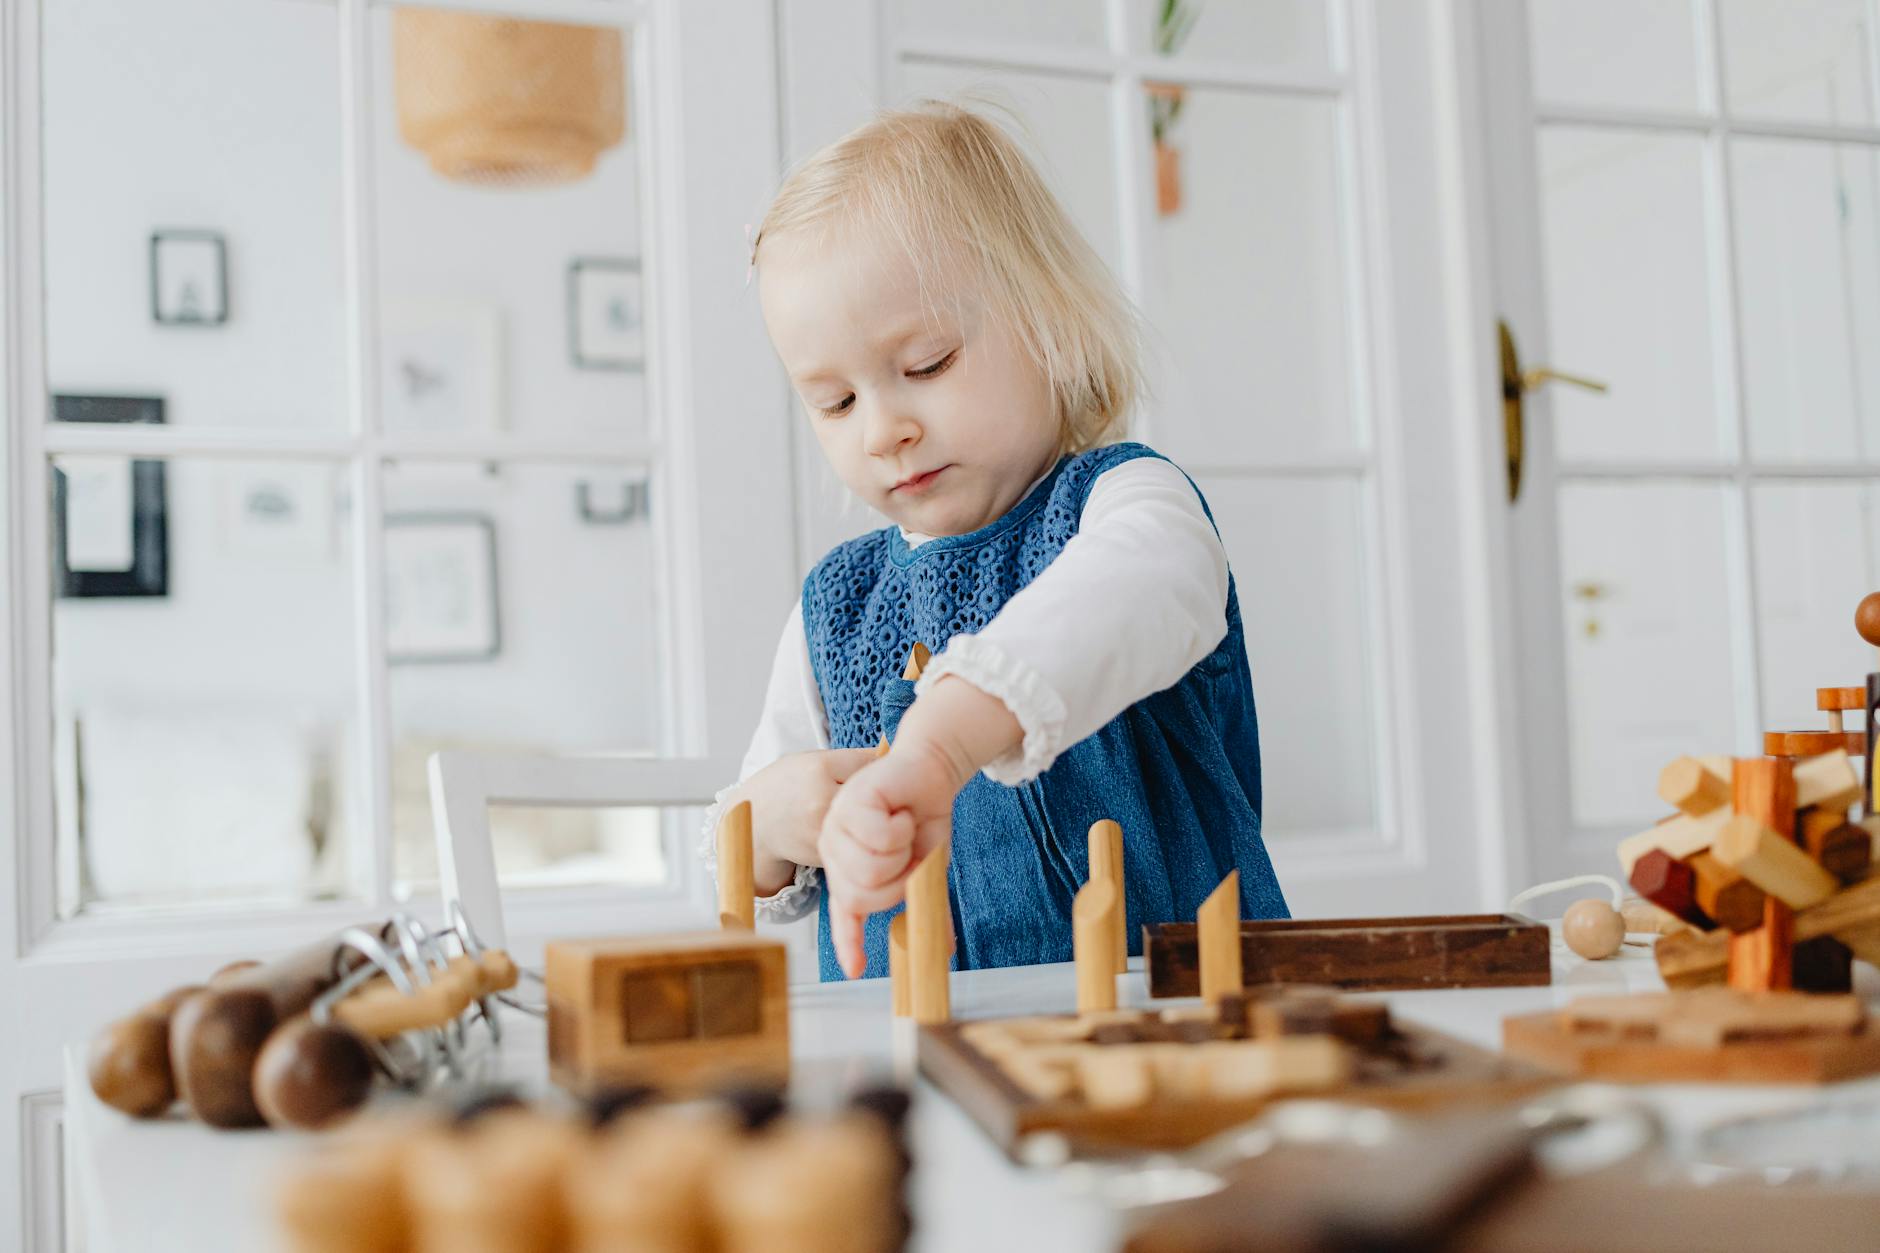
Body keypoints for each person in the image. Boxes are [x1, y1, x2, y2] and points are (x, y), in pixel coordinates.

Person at [703, 101, 1286, 981]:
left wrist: (943, 739)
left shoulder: (1129, 503)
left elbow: (1130, 597)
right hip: (916, 1052)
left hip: (1178, 1023)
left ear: (1050, 322)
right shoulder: (836, 607)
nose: (882, 428)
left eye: (927, 363)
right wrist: (774, 821)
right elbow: (737, 875)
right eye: (835, 402)